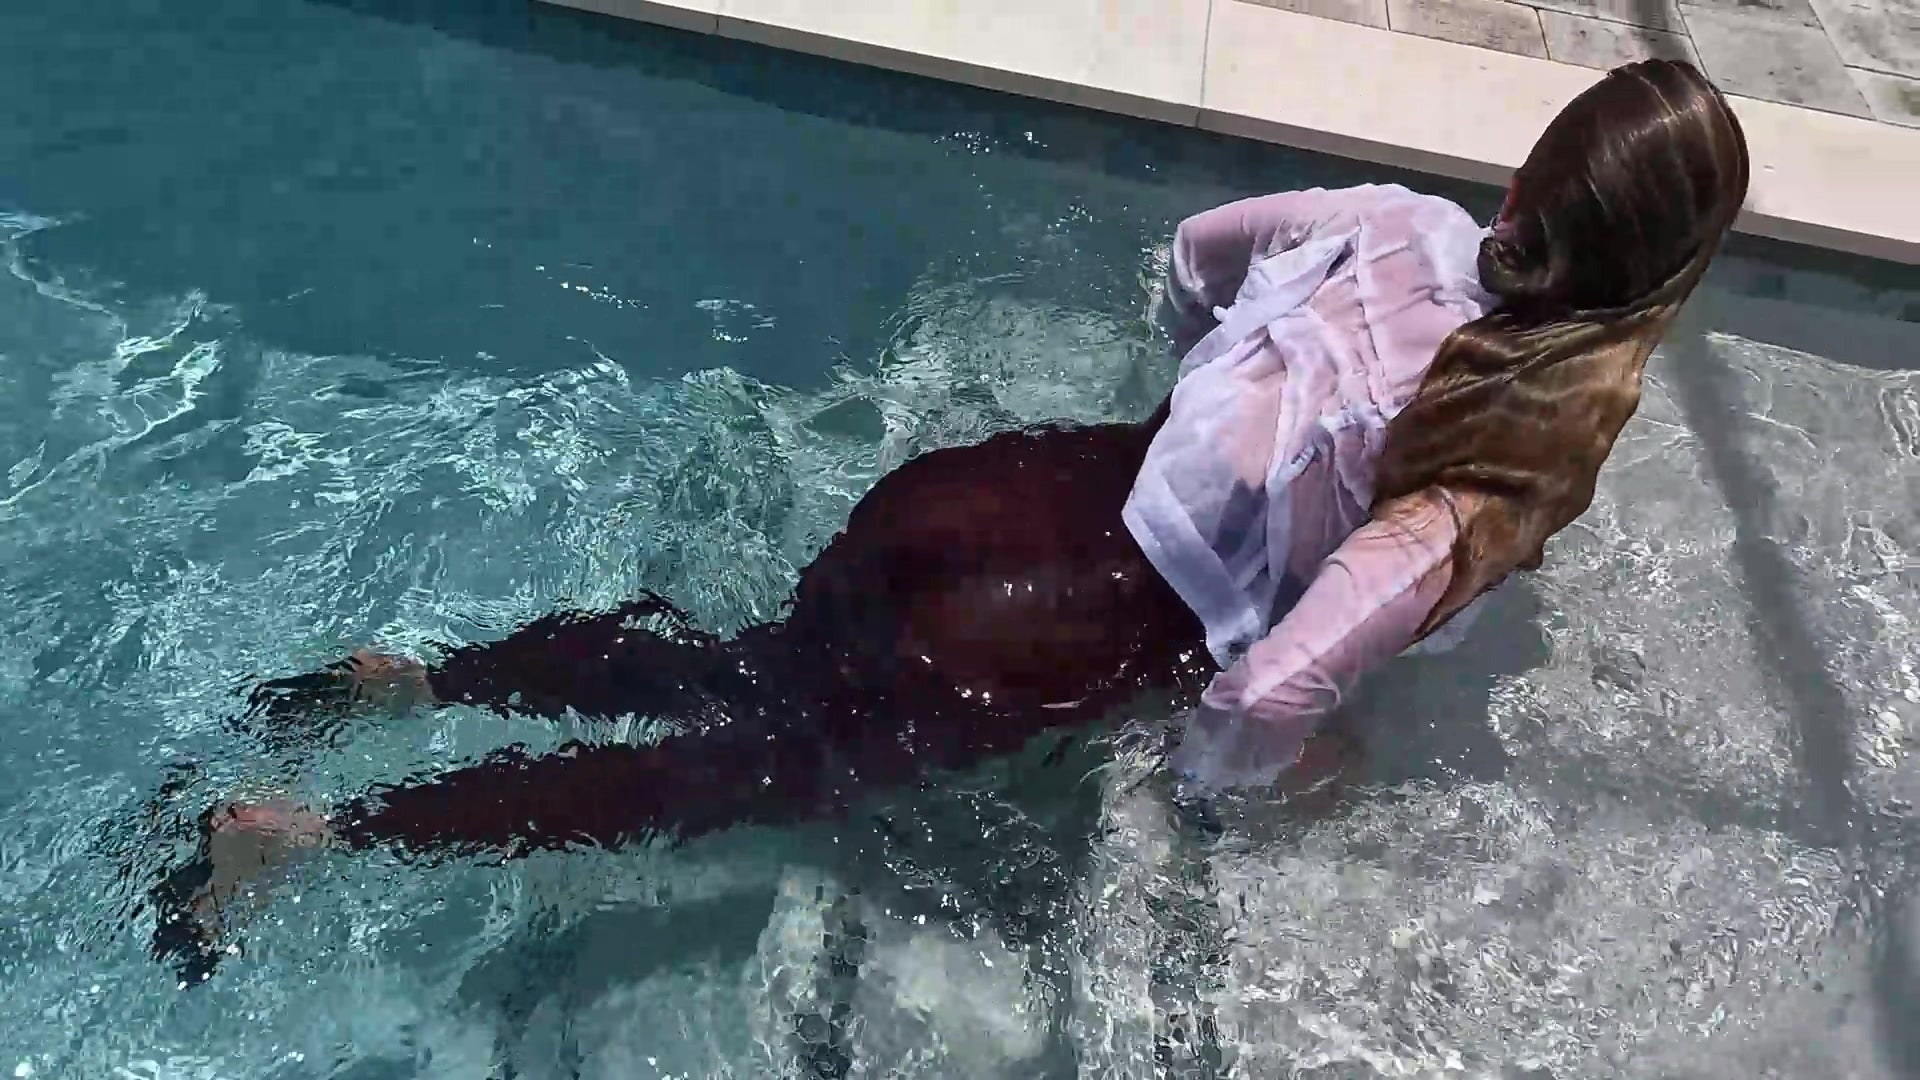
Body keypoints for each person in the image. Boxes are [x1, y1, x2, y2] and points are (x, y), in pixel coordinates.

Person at [150, 59, 1749, 983]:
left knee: (749, 669)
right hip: (1024, 639)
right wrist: (1238, 783)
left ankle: (421, 679)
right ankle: (309, 838)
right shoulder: (1480, 476)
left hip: (987, 498)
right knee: (726, 772)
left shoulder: (1391, 222)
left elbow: (1197, 255)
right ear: (1650, 286)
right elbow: (1269, 688)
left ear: (1530, 181)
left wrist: (1213, 415)